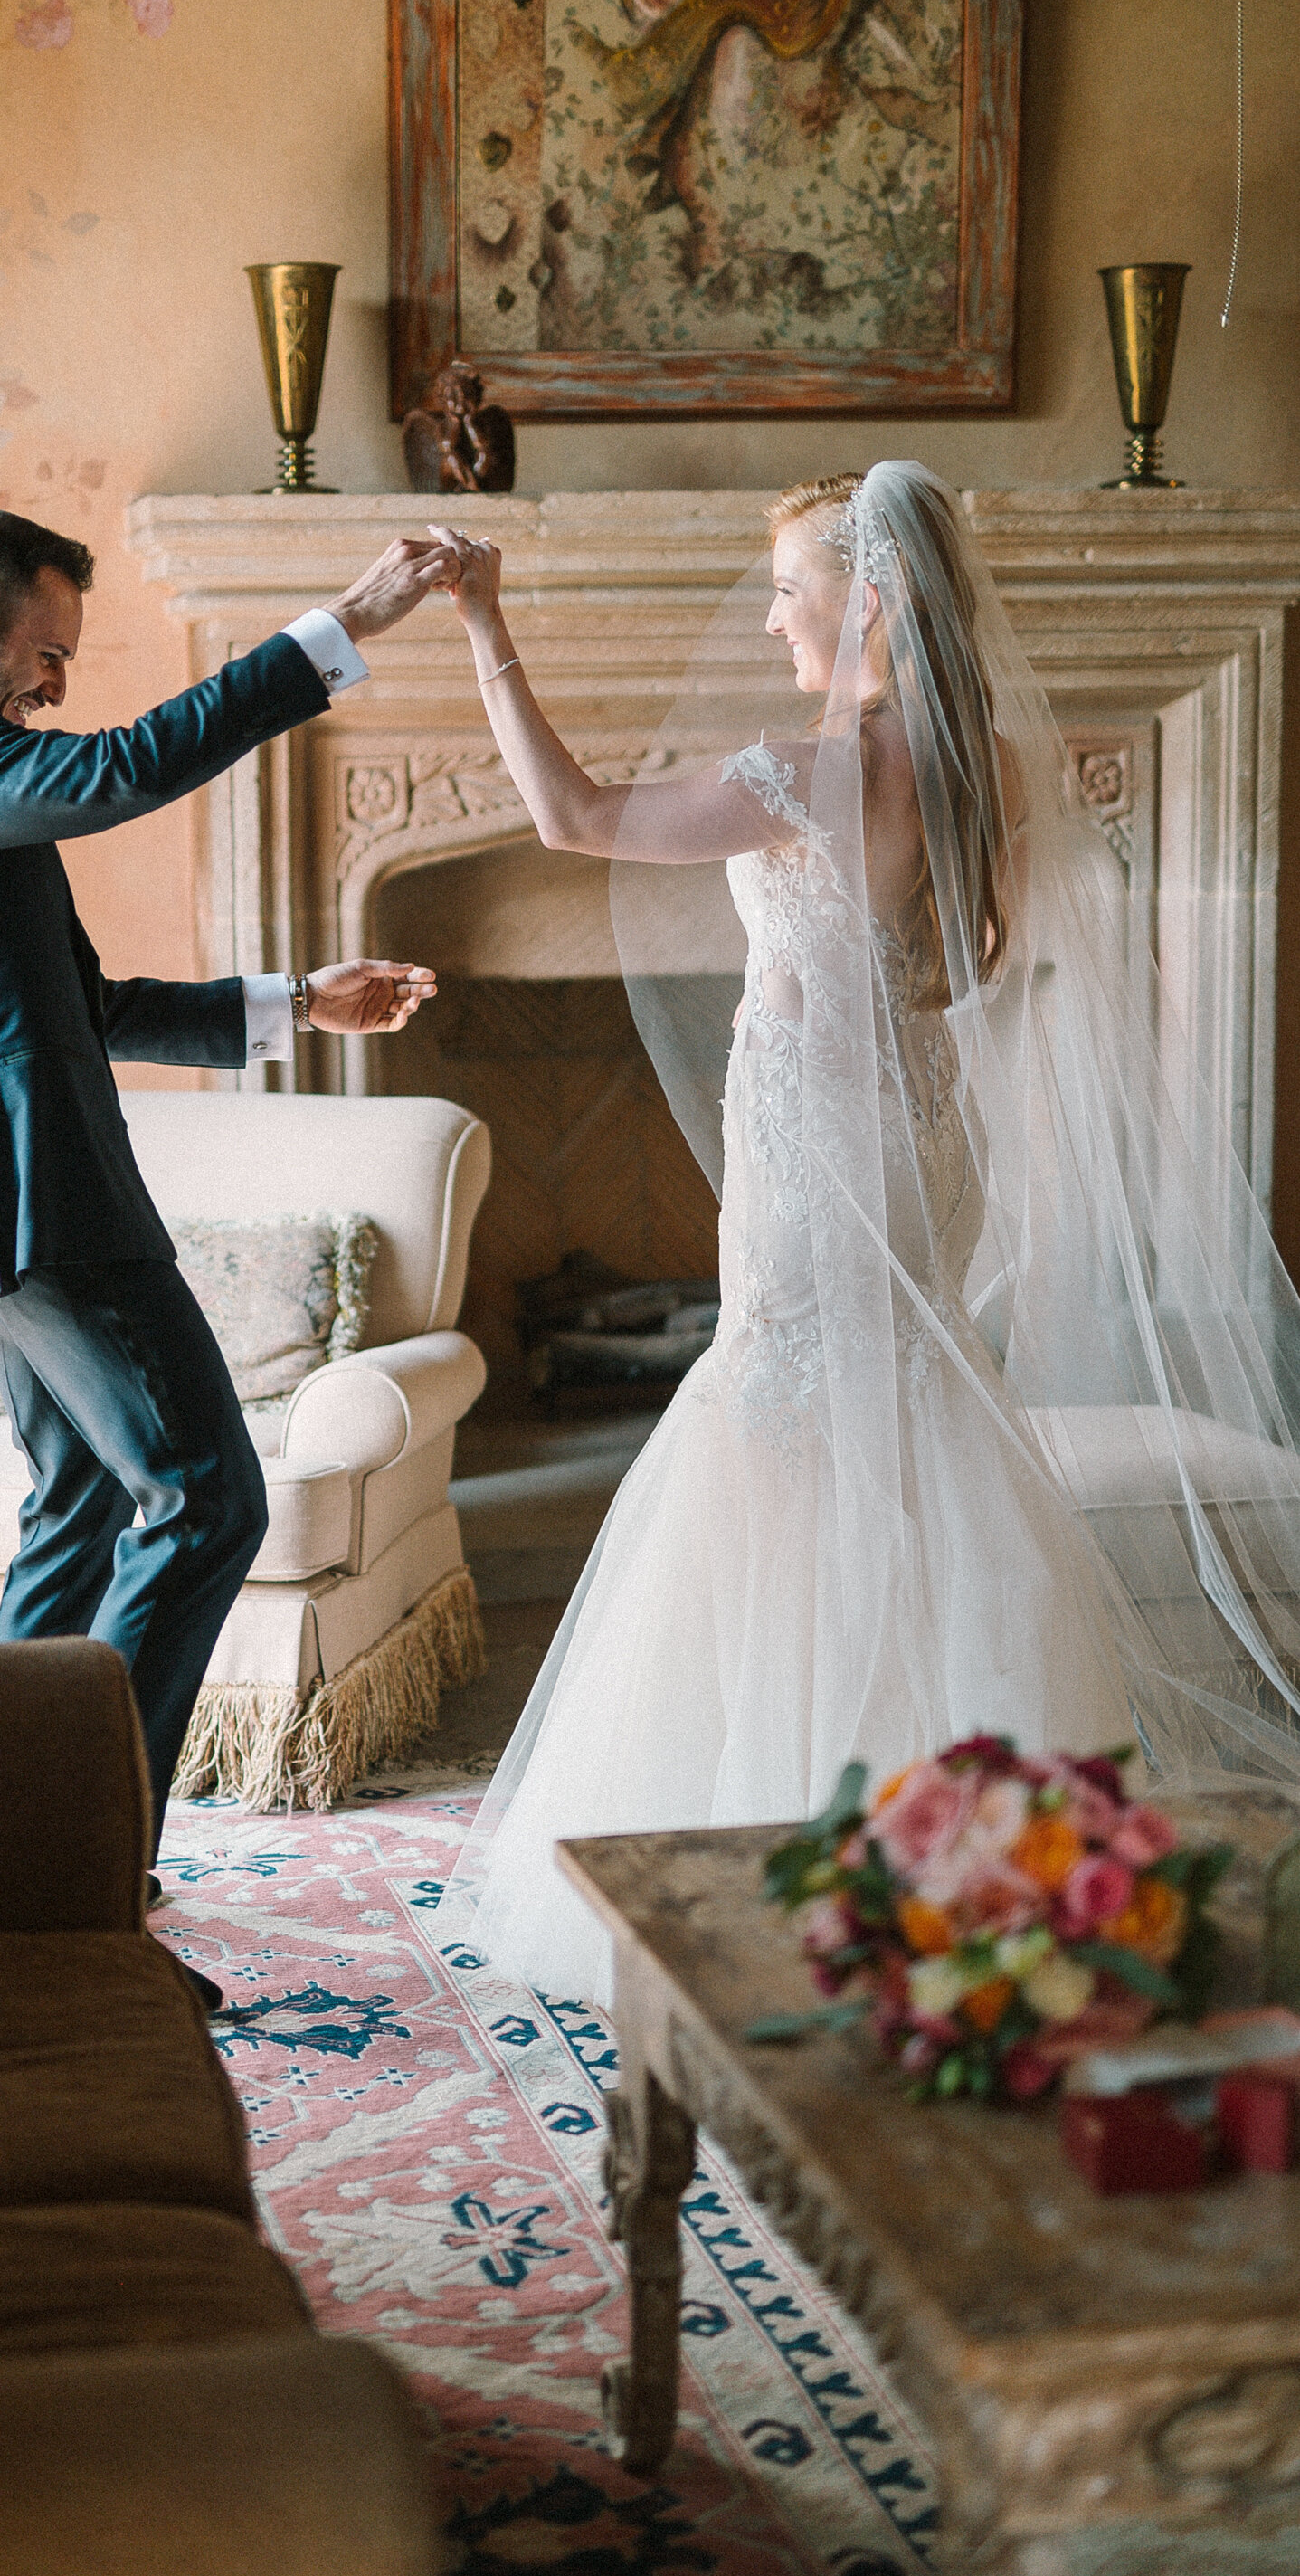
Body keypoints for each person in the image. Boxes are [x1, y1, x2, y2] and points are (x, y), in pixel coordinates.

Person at [431, 465, 1300, 2002]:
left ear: (867, 598)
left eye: (787, 589)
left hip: (819, 1143)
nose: (768, 620)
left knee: (782, 1424)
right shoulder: (979, 771)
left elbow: (569, 819)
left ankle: (783, 1805)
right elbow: (958, 954)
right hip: (924, 1134)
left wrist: (485, 622)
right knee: (905, 1410)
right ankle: (943, 1798)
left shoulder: (803, 770)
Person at [0, 510, 456, 2005]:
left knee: (86, 1503)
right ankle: (87, 1861)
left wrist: (296, 1000)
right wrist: (347, 615)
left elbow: (80, 1004)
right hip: (46, 1202)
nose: (54, 687)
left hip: (11, 1202)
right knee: (207, 1497)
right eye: (45, 655)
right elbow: (122, 769)